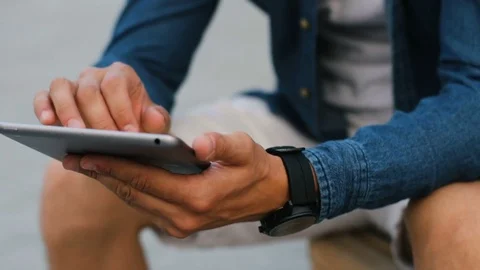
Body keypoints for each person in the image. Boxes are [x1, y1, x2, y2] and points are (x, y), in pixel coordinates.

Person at [34, 0, 480, 269]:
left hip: (444, 139)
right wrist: (117, 94)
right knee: (78, 188)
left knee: (466, 235)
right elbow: (150, 49)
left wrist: (307, 180)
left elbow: (473, 100)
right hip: (313, 125)